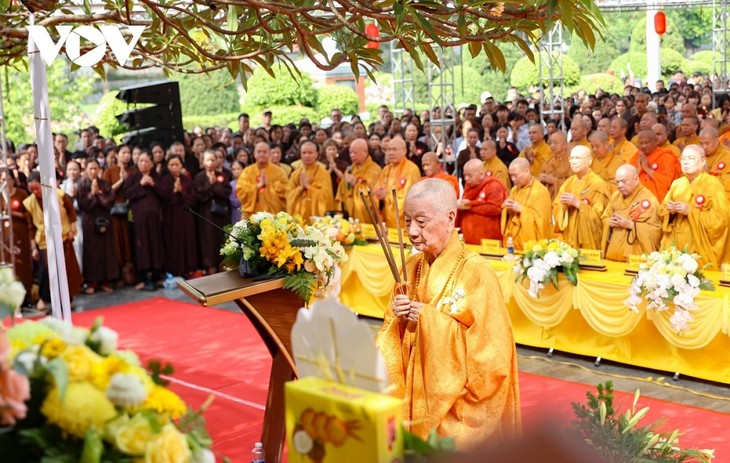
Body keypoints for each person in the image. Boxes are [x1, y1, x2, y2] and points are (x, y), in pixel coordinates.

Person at [377, 178, 521, 448]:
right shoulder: (411, 266)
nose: (412, 231)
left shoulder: (477, 273)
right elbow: (388, 336)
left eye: (421, 222)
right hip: (413, 396)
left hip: (456, 404)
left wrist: (429, 320)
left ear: (450, 217)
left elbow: (493, 355)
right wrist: (397, 320)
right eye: (407, 222)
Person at [660, 145, 729, 270]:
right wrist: (670, 212)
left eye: (691, 158)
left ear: (703, 161)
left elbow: (720, 221)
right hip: (675, 243)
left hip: (698, 247)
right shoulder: (677, 184)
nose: (686, 162)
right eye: (683, 158)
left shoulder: (713, 185)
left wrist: (690, 211)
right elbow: (662, 211)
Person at [24, 171, 82, 312]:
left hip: (63, 236)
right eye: (31, 189)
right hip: (44, 240)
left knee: (67, 269)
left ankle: (67, 300)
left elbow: (71, 212)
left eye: (37, 188)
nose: (35, 192)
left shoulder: (59, 194)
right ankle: (43, 300)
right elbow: (30, 227)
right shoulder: (29, 202)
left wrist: (72, 230)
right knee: (45, 271)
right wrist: (33, 248)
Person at [122, 152, 165, 291]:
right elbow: (126, 194)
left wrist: (153, 184)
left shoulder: (156, 177)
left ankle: (156, 276)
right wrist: (140, 185)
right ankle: (143, 278)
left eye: (146, 161)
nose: (143, 164)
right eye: (141, 161)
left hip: (154, 220)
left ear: (152, 163)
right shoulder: (133, 177)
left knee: (155, 246)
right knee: (142, 247)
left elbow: (165, 194)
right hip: (139, 220)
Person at [553, 146, 611, 250]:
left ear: (589, 160)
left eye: (578, 158)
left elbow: (601, 218)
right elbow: (556, 208)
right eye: (571, 158)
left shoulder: (598, 184)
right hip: (568, 237)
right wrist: (563, 207)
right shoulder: (568, 183)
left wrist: (578, 204)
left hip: (588, 241)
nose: (573, 162)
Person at [601, 165, 662, 262]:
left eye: (624, 181)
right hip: (612, 257)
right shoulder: (615, 197)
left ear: (636, 179)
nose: (620, 185)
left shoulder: (648, 199)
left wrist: (631, 225)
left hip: (635, 261)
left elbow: (656, 231)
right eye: (617, 182)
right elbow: (604, 218)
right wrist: (609, 222)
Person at [76, 159, 118, 293]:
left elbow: (109, 202)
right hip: (89, 221)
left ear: (99, 169)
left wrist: (98, 194)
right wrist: (92, 194)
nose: (93, 171)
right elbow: (83, 205)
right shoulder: (82, 185)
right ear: (86, 170)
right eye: (91, 169)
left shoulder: (105, 184)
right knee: (91, 251)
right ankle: (92, 282)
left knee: (106, 250)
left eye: (96, 168)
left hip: (104, 219)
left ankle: (106, 281)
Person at [158, 155, 198, 277]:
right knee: (173, 242)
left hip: (185, 215)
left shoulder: (187, 180)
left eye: (177, 165)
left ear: (182, 166)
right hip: (171, 216)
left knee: (187, 241)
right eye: (171, 165)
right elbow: (162, 199)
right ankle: (174, 270)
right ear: (168, 166)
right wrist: (174, 191)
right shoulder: (164, 180)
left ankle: (189, 269)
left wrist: (182, 191)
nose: (174, 167)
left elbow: (193, 199)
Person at [501, 158, 553, 251]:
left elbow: (542, 221)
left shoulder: (540, 191)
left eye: (515, 175)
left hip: (531, 246)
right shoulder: (514, 190)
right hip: (512, 242)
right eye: (511, 176)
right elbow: (509, 216)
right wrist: (506, 207)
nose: (513, 179)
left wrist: (522, 210)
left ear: (527, 171)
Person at [194, 151, 233, 275]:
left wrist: (214, 184)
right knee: (208, 239)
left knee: (221, 237)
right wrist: (209, 184)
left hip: (221, 214)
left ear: (217, 161)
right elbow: (199, 195)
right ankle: (210, 266)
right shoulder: (199, 177)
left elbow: (226, 192)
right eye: (208, 160)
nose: (210, 163)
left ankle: (223, 264)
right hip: (206, 214)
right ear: (202, 162)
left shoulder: (222, 175)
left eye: (213, 160)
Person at [374, 136, 421, 228]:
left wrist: (386, 195)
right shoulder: (386, 169)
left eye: (394, 150)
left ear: (404, 151)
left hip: (404, 223)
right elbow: (376, 190)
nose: (391, 153)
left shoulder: (411, 169)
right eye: (389, 149)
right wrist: (378, 194)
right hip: (387, 220)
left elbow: (409, 198)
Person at [457, 159, 507, 244]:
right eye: (464, 175)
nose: (466, 179)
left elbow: (495, 209)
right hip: (468, 238)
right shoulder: (469, 185)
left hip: (488, 238)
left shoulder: (493, 185)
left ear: (481, 174)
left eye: (470, 175)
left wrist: (470, 206)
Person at [334, 139, 382, 223]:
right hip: (349, 215)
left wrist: (356, 183)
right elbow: (340, 194)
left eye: (355, 153)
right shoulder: (350, 169)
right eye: (350, 153)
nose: (352, 155)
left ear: (365, 152)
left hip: (366, 215)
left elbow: (375, 193)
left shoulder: (375, 170)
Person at [286, 141, 334, 221]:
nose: (306, 155)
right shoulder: (295, 174)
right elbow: (288, 195)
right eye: (304, 153)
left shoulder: (324, 173)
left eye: (310, 152)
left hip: (316, 216)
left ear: (316, 154)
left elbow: (326, 197)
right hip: (299, 215)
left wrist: (308, 187)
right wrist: (300, 188)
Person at [236, 141, 288, 215]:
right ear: (254, 154)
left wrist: (269, 185)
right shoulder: (247, 172)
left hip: (273, 214)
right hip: (252, 215)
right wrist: (257, 186)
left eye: (264, 152)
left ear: (269, 154)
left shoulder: (279, 172)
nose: (261, 154)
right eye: (259, 152)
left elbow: (286, 191)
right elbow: (241, 192)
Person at [630, 129, 680, 202]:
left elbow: (668, 183)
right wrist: (639, 169)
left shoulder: (666, 157)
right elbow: (628, 182)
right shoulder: (637, 157)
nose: (643, 146)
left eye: (646, 143)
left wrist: (647, 169)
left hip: (658, 201)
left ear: (656, 142)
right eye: (641, 143)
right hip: (636, 200)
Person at [698, 126, 730, 201]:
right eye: (701, 143)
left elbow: (726, 183)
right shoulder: (697, 153)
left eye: (707, 143)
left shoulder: (727, 156)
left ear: (717, 141)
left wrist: (706, 174)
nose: (704, 147)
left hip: (718, 196)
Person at [539, 131, 572, 199]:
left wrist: (554, 181)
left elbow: (574, 184)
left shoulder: (571, 161)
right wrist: (541, 178)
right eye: (550, 143)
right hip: (548, 198)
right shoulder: (548, 162)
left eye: (555, 143)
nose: (552, 145)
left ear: (565, 144)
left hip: (563, 199)